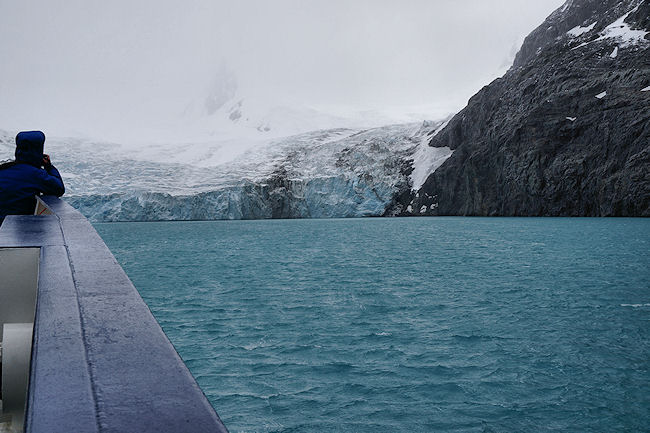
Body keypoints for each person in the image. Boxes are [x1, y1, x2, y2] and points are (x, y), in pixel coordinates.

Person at [0, 131, 65, 224]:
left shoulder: (4, 168)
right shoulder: (36, 175)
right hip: (18, 227)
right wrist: (49, 166)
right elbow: (59, 189)